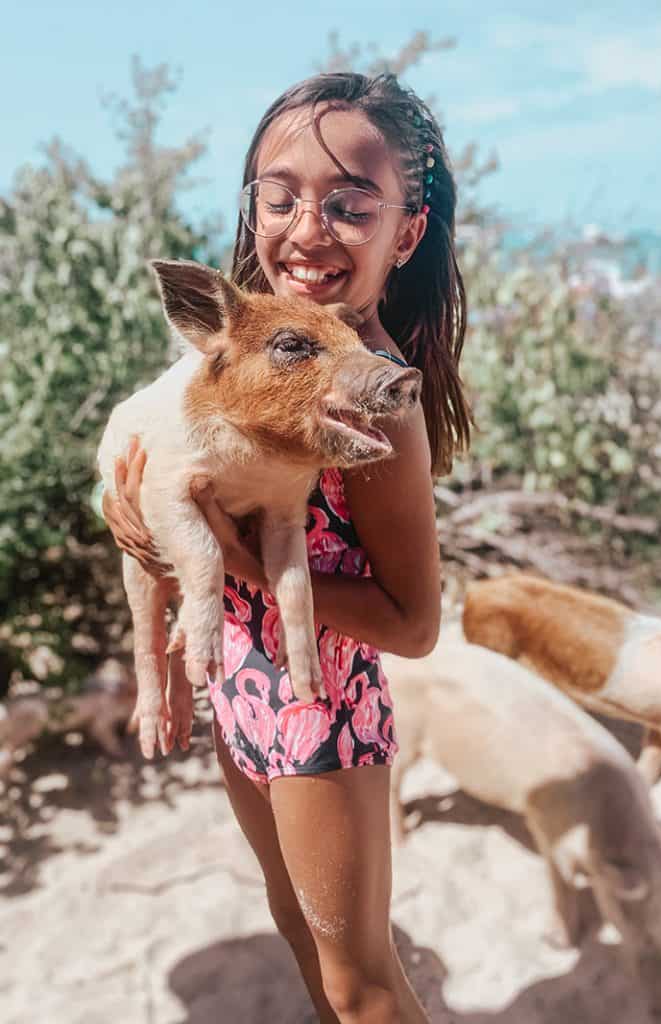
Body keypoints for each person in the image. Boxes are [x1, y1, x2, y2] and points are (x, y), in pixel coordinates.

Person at [103, 71, 471, 1023]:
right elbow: (176, 487)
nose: (308, 230)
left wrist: (228, 556)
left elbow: (416, 624)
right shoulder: (237, 365)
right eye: (281, 196)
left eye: (351, 205)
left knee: (364, 990)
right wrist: (141, 527)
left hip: (324, 711)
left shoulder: (376, 396)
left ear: (407, 234)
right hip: (247, 690)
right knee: (300, 933)